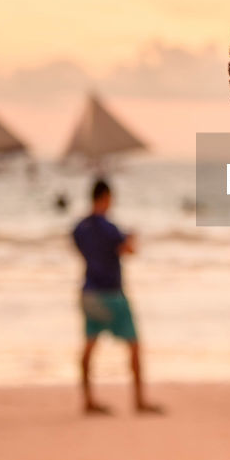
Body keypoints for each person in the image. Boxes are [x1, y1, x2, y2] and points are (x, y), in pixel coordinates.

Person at [71, 178, 162, 416]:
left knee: (89, 346)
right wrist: (131, 239)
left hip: (89, 291)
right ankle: (139, 400)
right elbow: (128, 250)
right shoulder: (110, 228)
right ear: (107, 198)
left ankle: (88, 399)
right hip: (111, 293)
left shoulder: (80, 228)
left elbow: (80, 249)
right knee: (133, 345)